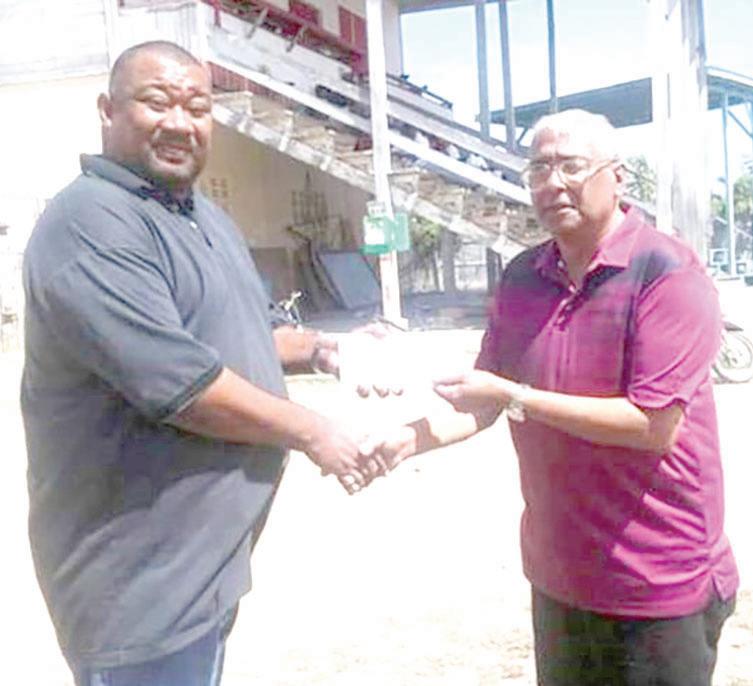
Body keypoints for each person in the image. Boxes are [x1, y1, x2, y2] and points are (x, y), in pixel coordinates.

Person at [21, 40, 387, 686]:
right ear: (107, 110)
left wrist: (324, 348)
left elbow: (244, 329)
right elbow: (182, 385)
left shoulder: (203, 217)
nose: (179, 123)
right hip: (138, 589)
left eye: (197, 107)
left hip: (202, 571)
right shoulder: (90, 224)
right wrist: (313, 431)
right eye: (156, 102)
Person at [363, 109, 739, 686]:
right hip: (561, 577)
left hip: (657, 583)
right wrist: (407, 440)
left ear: (618, 178)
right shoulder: (524, 276)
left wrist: (516, 395)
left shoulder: (666, 273)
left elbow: (651, 425)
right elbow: (485, 397)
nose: (553, 183)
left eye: (572, 166)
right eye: (539, 169)